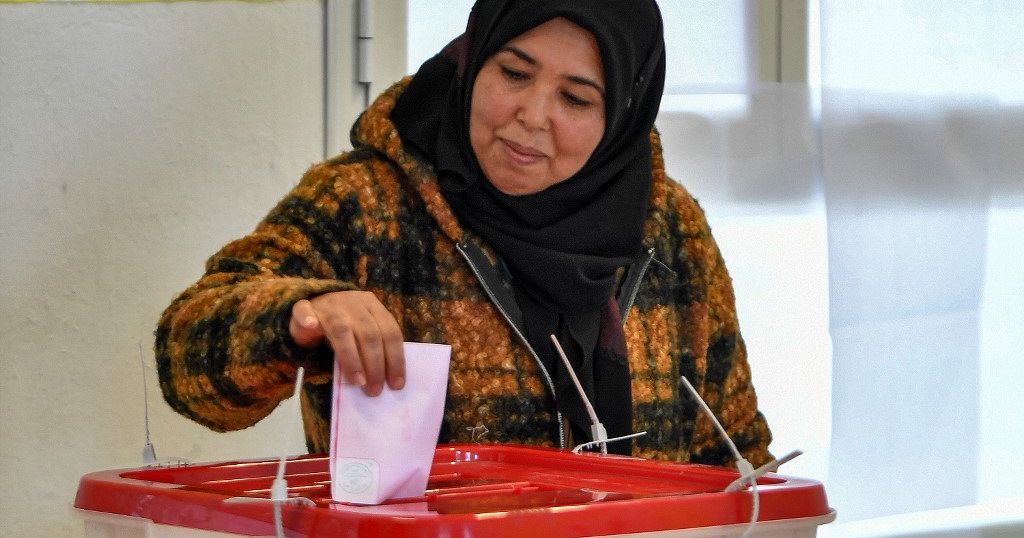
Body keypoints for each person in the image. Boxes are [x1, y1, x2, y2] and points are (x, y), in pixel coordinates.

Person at [156, 0, 772, 466]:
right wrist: (297, 314)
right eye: (513, 72)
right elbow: (188, 366)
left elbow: (736, 453)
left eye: (576, 99)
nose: (532, 117)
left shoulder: (666, 228)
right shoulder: (368, 204)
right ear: (474, 59)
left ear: (622, 117)